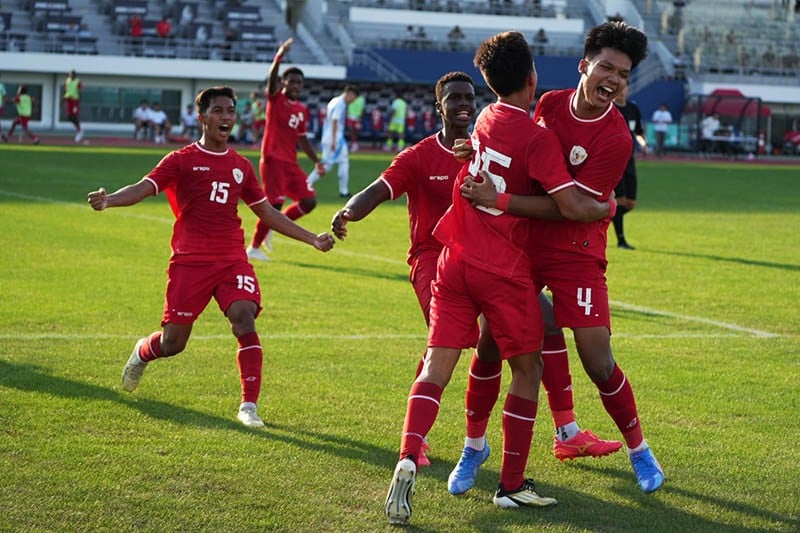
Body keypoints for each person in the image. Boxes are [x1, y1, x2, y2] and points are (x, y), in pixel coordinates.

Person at [383, 31, 614, 526]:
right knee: (528, 370)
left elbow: (478, 155)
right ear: (532, 78)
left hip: (454, 258)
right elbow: (571, 206)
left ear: (487, 83)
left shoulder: (484, 118)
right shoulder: (537, 136)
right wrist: (606, 205)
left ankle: (408, 454)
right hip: (502, 268)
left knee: (436, 367)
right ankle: (511, 485)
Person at [459, 20, 664, 496]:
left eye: (623, 74)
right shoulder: (547, 105)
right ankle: (474, 446)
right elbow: (520, 157)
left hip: (577, 252)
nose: (613, 80)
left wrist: (500, 200)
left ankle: (639, 449)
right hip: (526, 247)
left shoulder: (615, 138)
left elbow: (571, 211)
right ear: (584, 66)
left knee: (598, 361)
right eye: (606, 68)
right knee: (490, 342)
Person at [86, 86, 334, 428]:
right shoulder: (180, 160)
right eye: (218, 111)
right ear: (201, 117)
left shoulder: (241, 167)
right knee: (174, 343)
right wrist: (109, 200)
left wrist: (312, 238)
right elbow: (143, 187)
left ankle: (249, 406)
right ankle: (143, 351)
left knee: (244, 316)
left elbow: (267, 213)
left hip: (232, 259)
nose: (226, 117)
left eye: (230, 111)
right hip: (190, 261)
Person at [246, 38, 326, 262]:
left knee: (309, 201)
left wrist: (316, 161)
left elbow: (303, 140)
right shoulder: (275, 99)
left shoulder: (301, 110)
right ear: (283, 83)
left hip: (291, 163)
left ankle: (273, 227)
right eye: (291, 82)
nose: (296, 86)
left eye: (299, 83)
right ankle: (253, 247)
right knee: (274, 205)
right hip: (272, 160)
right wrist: (279, 55)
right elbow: (271, 81)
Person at [308, 85, 359, 199]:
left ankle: (343, 190)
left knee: (341, 162)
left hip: (330, 136)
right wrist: (334, 140)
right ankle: (307, 183)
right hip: (335, 137)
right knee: (328, 165)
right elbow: (335, 121)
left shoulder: (333, 101)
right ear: (349, 93)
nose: (353, 101)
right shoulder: (340, 104)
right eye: (354, 98)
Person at [612, 85, 647, 250]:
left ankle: (603, 219)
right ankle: (621, 241)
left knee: (630, 203)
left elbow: (639, 132)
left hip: (630, 161)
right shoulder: (609, 108)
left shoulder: (633, 109)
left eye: (624, 87)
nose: (622, 90)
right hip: (614, 161)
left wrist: (644, 143)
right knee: (620, 200)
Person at [63, 70, 83, 142]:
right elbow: (66, 91)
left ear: (75, 75)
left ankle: (79, 131)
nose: (70, 75)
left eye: (72, 74)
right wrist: (62, 100)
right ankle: (79, 129)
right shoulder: (67, 81)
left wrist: (79, 100)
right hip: (68, 100)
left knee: (75, 116)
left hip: (75, 101)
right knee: (69, 117)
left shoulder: (78, 81)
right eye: (69, 74)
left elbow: (80, 91)